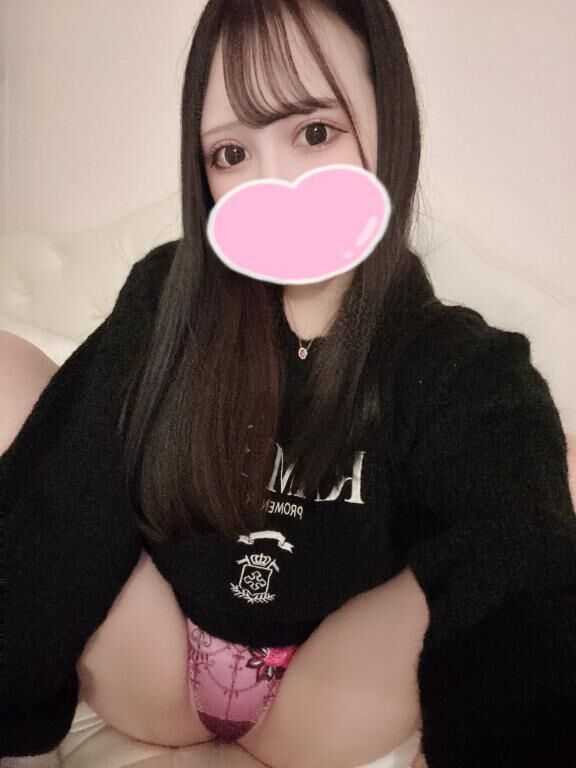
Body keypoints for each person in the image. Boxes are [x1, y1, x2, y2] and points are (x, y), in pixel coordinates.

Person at [2, 2, 576, 767]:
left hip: (324, 693)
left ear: (390, 125)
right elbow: (66, 494)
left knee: (554, 480)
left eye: (314, 132)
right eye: (231, 153)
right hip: (156, 661)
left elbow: (509, 570)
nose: (274, 184)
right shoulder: (168, 298)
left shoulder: (455, 364)